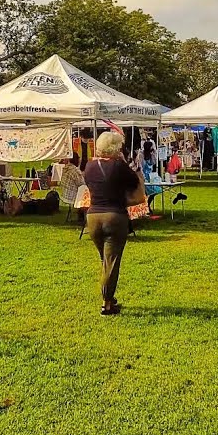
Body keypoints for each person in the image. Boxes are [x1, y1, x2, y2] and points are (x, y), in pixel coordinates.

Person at [83, 131, 141, 316]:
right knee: (112, 262)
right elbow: (134, 183)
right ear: (116, 148)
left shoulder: (89, 166)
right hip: (114, 217)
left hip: (93, 217)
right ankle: (107, 304)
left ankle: (109, 297)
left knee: (105, 260)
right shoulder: (119, 166)